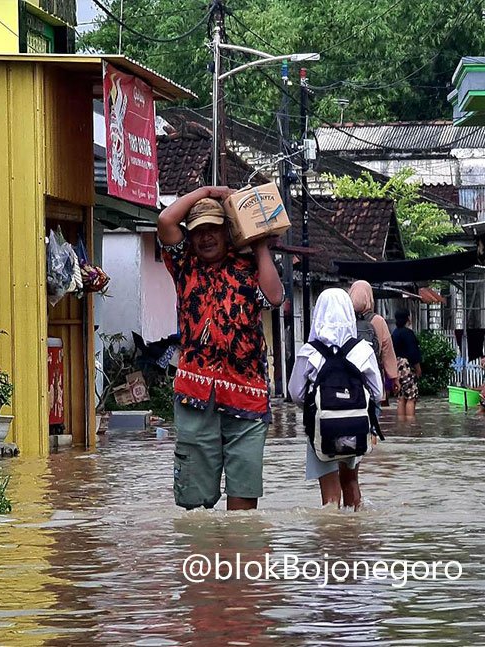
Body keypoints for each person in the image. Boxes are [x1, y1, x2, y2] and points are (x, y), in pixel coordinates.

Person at [158, 186, 284, 511]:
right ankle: (202, 560)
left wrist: (258, 242)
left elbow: (274, 298)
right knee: (194, 503)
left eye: (214, 229)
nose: (206, 238)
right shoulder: (184, 265)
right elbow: (165, 220)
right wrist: (208, 191)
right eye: (199, 231)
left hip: (248, 395)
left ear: (228, 231)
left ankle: (236, 559)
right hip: (195, 394)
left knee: (244, 493)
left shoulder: (249, 267)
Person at [288, 289, 383, 510]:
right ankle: (354, 536)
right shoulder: (362, 350)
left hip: (321, 427)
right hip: (355, 425)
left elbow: (296, 393)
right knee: (351, 482)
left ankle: (332, 540)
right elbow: (377, 393)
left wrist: (316, 407)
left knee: (330, 498)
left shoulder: (309, 352)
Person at [348, 281, 400, 403]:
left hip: (349, 381)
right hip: (373, 380)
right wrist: (394, 378)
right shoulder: (378, 321)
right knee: (373, 418)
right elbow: (387, 352)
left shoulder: (345, 320)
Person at [391, 308, 422, 419]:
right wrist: (418, 368)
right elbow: (413, 353)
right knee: (411, 397)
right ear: (408, 319)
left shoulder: (394, 333)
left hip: (396, 365)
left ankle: (401, 424)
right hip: (406, 366)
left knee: (401, 396)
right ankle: (410, 424)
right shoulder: (408, 334)